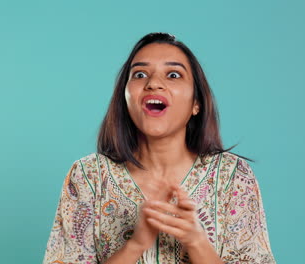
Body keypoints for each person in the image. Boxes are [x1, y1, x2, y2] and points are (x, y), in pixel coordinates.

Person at [42, 32, 276, 264]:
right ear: (125, 98)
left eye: (173, 75)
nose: (153, 83)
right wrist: (136, 245)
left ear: (197, 103)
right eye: (140, 74)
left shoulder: (233, 176)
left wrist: (196, 242)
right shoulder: (88, 176)